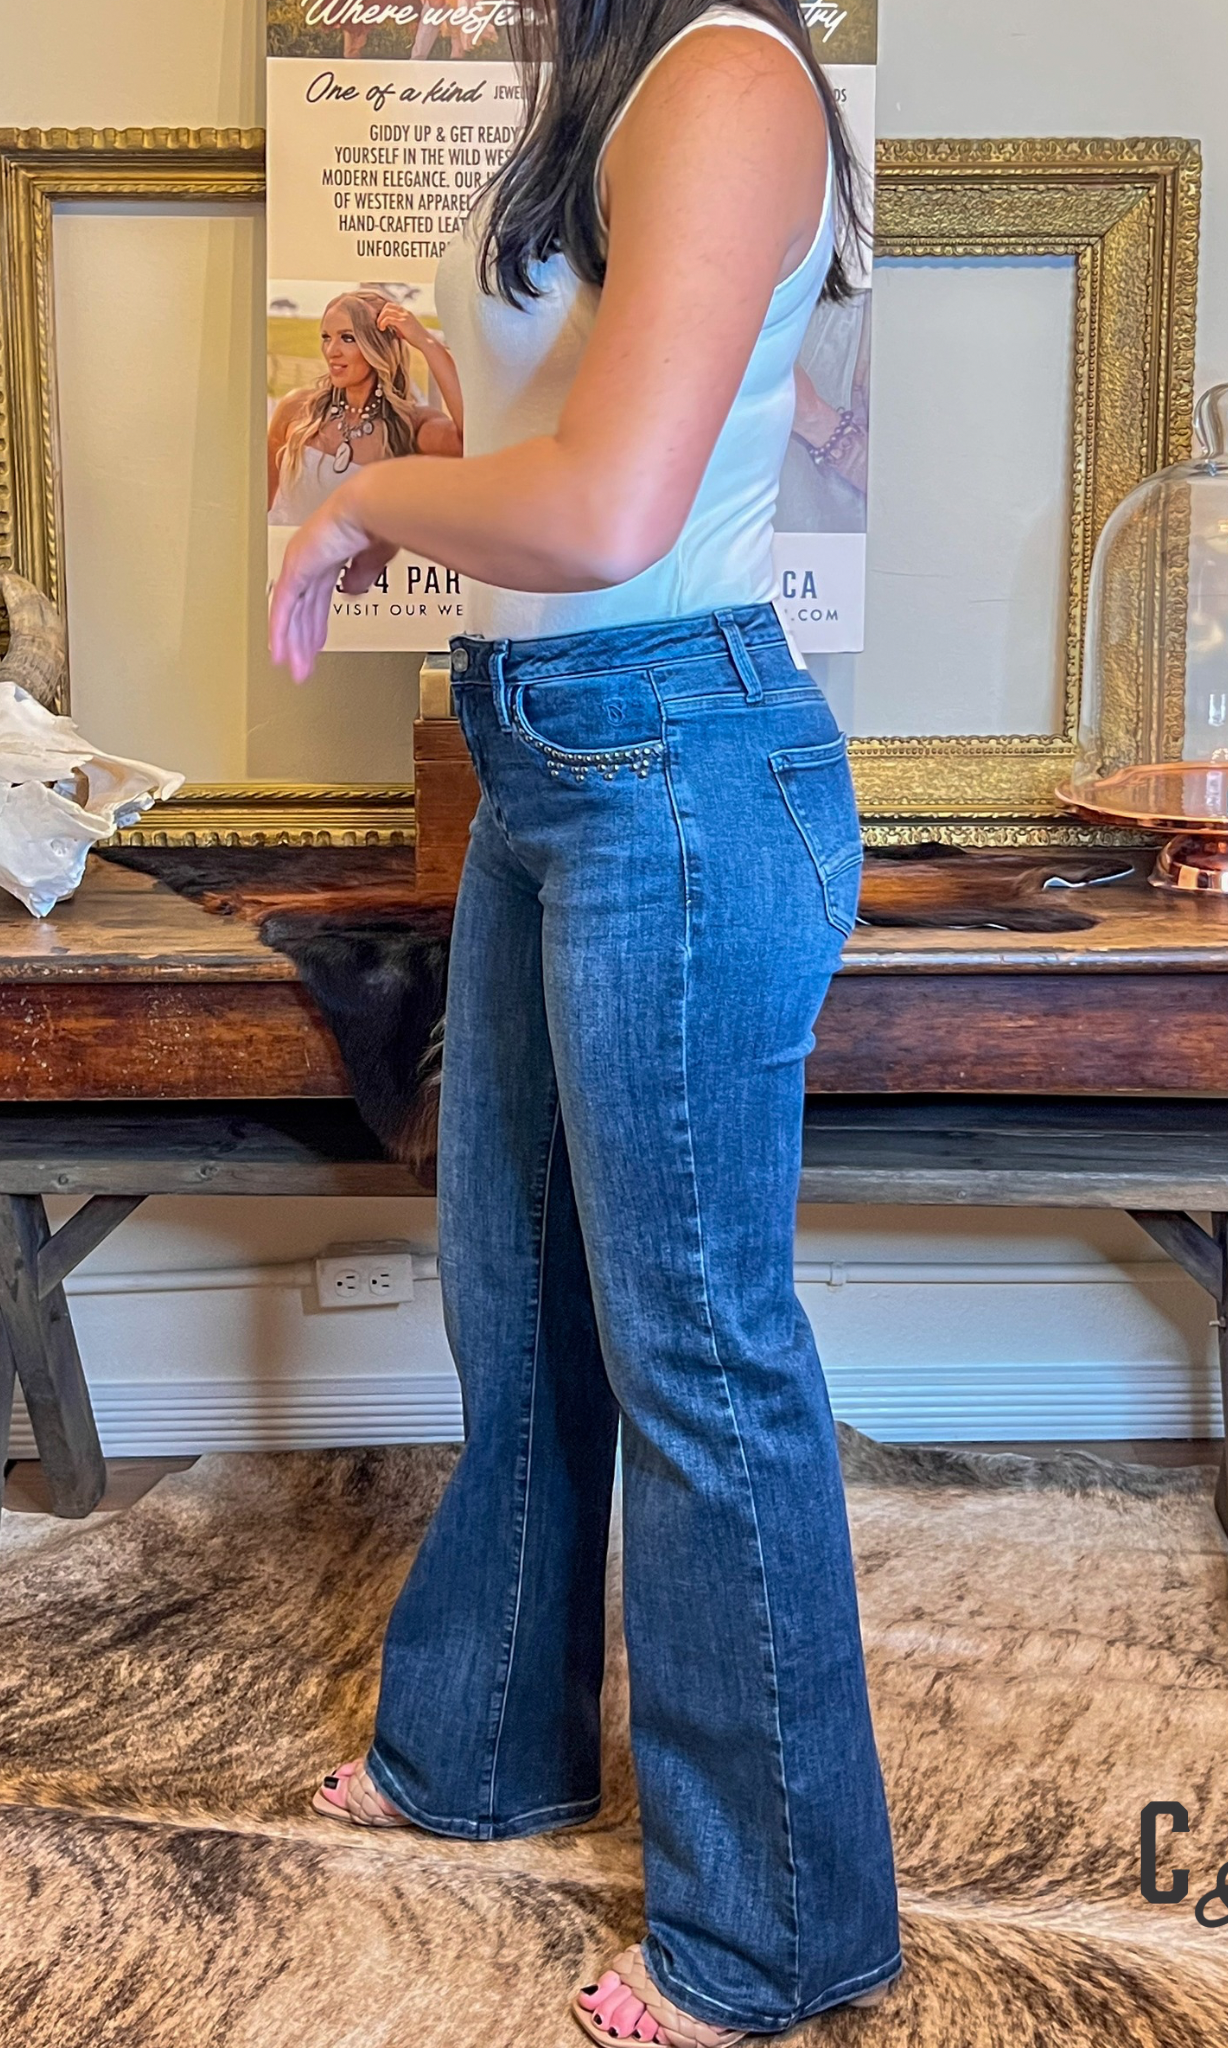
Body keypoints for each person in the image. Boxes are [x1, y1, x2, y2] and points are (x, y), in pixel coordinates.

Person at [270, 4, 902, 2042]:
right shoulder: (613, 79)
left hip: (679, 773)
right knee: (519, 1302)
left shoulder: (721, 77)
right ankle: (478, 1745)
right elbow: (555, 467)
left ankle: (775, 1927)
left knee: (695, 1352)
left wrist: (371, 508)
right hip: (557, 761)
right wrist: (395, 481)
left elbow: (612, 511)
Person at [267, 291, 463, 526]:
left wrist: (427, 342)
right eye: (327, 337)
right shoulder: (296, 410)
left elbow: (474, 442)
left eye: (347, 338)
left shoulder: (411, 426)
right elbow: (256, 506)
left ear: (378, 346)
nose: (331, 351)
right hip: (284, 559)